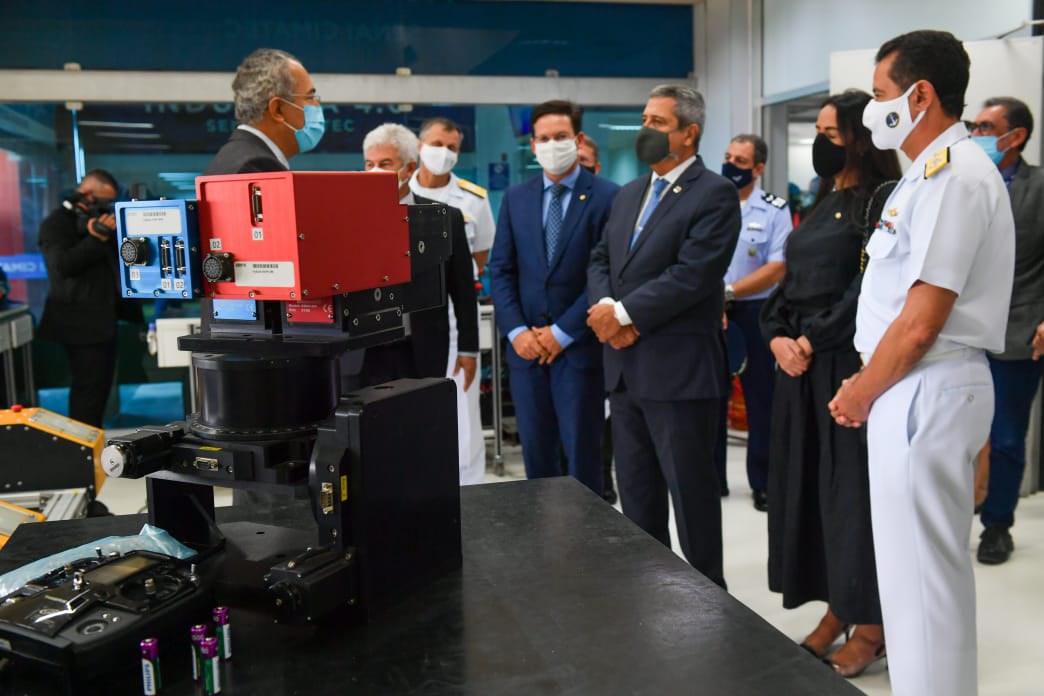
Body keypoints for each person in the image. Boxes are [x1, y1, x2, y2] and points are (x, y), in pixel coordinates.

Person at [830, 31, 1015, 696]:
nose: (873, 108)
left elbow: (920, 323)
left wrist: (860, 390)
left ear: (920, 96)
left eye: (882, 93)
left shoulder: (953, 176)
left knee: (923, 586)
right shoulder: (926, 175)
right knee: (913, 582)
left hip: (924, 384)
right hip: (917, 387)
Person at [760, 90, 900, 677]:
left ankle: (871, 625)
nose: (821, 143)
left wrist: (812, 339)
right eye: (817, 132)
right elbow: (788, 281)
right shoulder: (820, 202)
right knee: (812, 492)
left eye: (831, 133)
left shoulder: (881, 200)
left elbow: (869, 288)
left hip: (845, 364)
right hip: (800, 368)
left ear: (860, 140)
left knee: (852, 497)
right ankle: (838, 606)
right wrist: (776, 335)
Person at [587, 84, 739, 588]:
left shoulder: (713, 193)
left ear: (688, 133)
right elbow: (602, 259)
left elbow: (694, 274)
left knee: (691, 499)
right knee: (638, 498)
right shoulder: (629, 193)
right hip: (626, 373)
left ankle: (710, 604)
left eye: (657, 122)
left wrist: (623, 314)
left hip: (678, 374)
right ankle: (650, 597)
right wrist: (607, 310)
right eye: (644, 120)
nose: (645, 130)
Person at [488, 100, 619, 494]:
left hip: (578, 350)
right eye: (543, 138)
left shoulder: (608, 197)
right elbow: (501, 270)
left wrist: (561, 332)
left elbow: (605, 274)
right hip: (526, 353)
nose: (551, 145)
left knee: (583, 459)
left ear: (577, 139)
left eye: (560, 136)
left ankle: (586, 533)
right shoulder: (516, 198)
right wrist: (517, 332)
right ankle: (539, 533)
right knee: (537, 458)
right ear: (532, 145)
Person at [967, 97, 1044, 565]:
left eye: (985, 127)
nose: (976, 134)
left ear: (1015, 137)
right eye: (974, 125)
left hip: (1019, 329)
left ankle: (997, 525)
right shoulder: (964, 180)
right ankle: (957, 511)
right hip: (962, 330)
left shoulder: (1039, 187)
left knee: (1008, 437)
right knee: (955, 431)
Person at [358, 123, 480, 401]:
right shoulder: (349, 216)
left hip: (419, 348)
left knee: (421, 422)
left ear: (410, 168)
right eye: (369, 164)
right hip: (363, 352)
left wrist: (468, 348)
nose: (375, 171)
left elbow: (463, 290)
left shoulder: (444, 218)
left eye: (385, 164)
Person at [409, 117, 495, 485]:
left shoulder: (474, 199)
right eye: (437, 144)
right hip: (414, 321)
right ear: (419, 146)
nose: (443, 153)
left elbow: (478, 260)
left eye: (452, 147)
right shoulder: (398, 192)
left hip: (458, 319)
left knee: (463, 406)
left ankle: (468, 486)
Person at [718, 133, 793, 511]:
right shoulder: (709, 202)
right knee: (709, 396)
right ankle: (712, 478)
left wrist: (729, 292)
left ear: (758, 168)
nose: (731, 165)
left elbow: (778, 267)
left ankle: (763, 481)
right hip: (709, 311)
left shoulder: (774, 209)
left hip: (753, 311)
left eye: (741, 161)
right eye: (728, 157)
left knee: (761, 398)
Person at [37, 169, 143, 427]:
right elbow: (62, 266)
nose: (106, 207)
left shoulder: (97, 221)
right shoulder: (56, 224)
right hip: (79, 324)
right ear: (85, 194)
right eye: (103, 201)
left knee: (99, 387)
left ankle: (93, 437)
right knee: (88, 389)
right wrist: (96, 239)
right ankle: (84, 443)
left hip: (103, 321)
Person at [205, 48, 323, 176]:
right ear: (277, 110)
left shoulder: (233, 156)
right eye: (310, 97)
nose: (317, 104)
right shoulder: (257, 167)